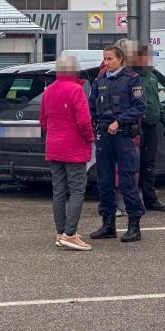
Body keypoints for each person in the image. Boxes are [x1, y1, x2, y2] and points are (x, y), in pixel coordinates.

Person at [89, 45, 147, 243]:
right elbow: (91, 107)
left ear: (121, 59)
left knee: (127, 180)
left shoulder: (132, 80)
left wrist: (119, 121)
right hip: (104, 134)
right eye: (105, 59)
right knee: (104, 179)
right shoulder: (100, 81)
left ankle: (134, 225)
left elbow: (140, 106)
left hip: (123, 134)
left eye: (110, 59)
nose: (107, 63)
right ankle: (108, 224)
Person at [40, 55, 94, 251]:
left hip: (54, 147)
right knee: (78, 190)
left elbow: (43, 120)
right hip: (74, 148)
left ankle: (60, 232)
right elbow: (84, 121)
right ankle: (70, 234)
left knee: (59, 191)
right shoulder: (76, 90)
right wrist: (89, 138)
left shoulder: (48, 91)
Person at [131, 43, 165, 211]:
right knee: (133, 165)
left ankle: (150, 199)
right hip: (137, 126)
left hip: (152, 126)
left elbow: (158, 102)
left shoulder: (152, 76)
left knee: (149, 164)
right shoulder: (132, 76)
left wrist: (163, 119)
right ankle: (134, 201)